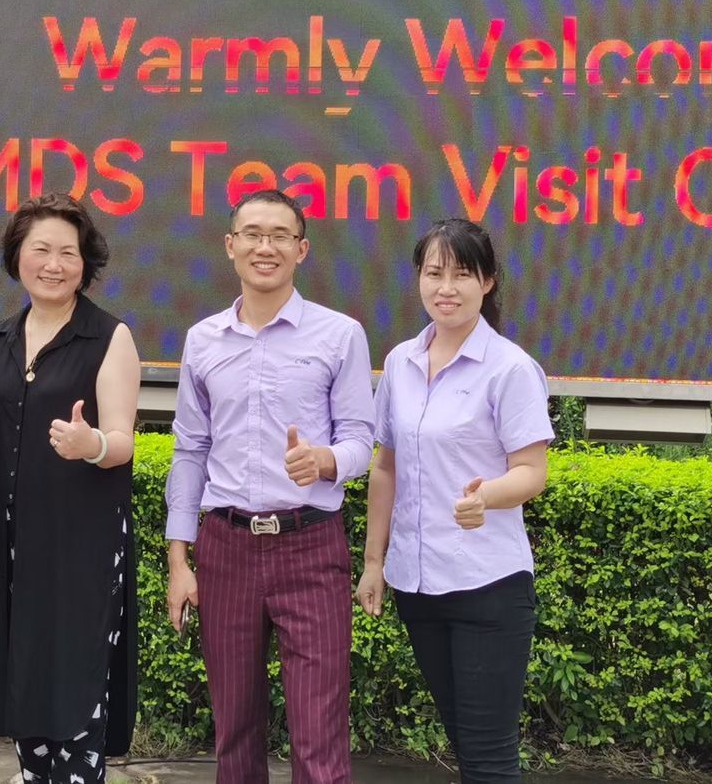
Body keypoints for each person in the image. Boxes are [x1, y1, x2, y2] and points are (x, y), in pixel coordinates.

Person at [163, 189, 375, 784]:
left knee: (319, 734)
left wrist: (325, 461)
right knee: (234, 731)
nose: (266, 246)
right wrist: (179, 559)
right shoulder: (203, 339)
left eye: (281, 235)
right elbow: (190, 450)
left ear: (301, 250)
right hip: (226, 547)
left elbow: (361, 438)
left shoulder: (340, 335)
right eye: (253, 234)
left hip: (311, 546)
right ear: (230, 246)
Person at [356, 219, 554, 784]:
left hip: (487, 584)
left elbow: (532, 472)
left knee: (490, 759)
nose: (446, 288)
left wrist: (486, 496)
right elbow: (386, 466)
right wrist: (373, 562)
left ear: (487, 282)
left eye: (462, 274)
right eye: (434, 273)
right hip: (418, 586)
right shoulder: (401, 362)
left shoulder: (510, 368)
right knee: (466, 747)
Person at [0, 194, 144, 784]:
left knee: (76, 682)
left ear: (86, 264)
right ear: (17, 256)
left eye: (69, 252)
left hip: (81, 545)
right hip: (12, 545)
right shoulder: (0, 338)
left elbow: (123, 441)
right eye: (41, 249)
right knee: (25, 679)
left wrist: (91, 444)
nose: (54, 264)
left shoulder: (109, 337)